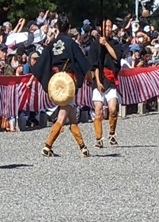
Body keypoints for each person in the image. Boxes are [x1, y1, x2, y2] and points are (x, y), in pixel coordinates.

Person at [32, 14, 90, 157]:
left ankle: (83, 147)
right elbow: (83, 62)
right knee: (62, 116)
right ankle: (47, 145)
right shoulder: (71, 43)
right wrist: (88, 76)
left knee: (72, 116)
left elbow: (41, 64)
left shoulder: (51, 44)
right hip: (67, 83)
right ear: (69, 28)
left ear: (57, 28)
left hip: (56, 82)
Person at [85, 19, 122, 148]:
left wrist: (106, 44)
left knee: (113, 108)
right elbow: (93, 65)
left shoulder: (115, 43)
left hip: (110, 79)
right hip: (98, 78)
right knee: (98, 109)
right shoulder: (94, 45)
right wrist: (98, 81)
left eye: (109, 26)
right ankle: (98, 137)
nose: (108, 28)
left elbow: (116, 57)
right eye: (105, 26)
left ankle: (112, 133)